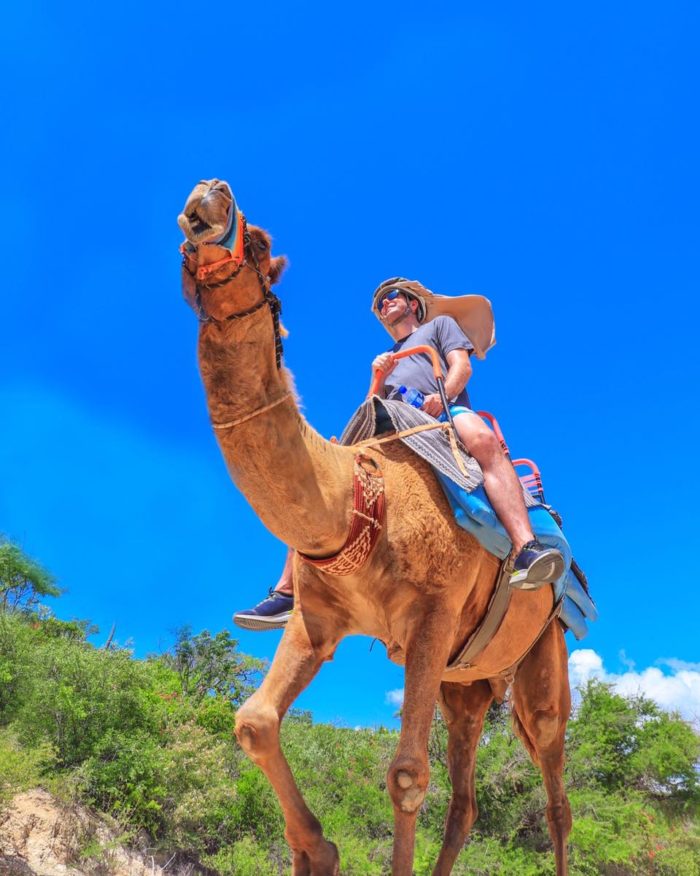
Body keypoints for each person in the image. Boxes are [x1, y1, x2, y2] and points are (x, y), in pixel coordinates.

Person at [233, 278, 564, 631]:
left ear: (412, 303)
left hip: (442, 413)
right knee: (325, 478)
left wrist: (443, 397)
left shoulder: (440, 326)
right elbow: (370, 406)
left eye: (390, 297)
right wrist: (378, 377)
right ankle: (287, 592)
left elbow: (462, 367)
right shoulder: (387, 358)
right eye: (379, 304)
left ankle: (525, 548)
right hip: (391, 424)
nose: (384, 304)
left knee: (482, 439)